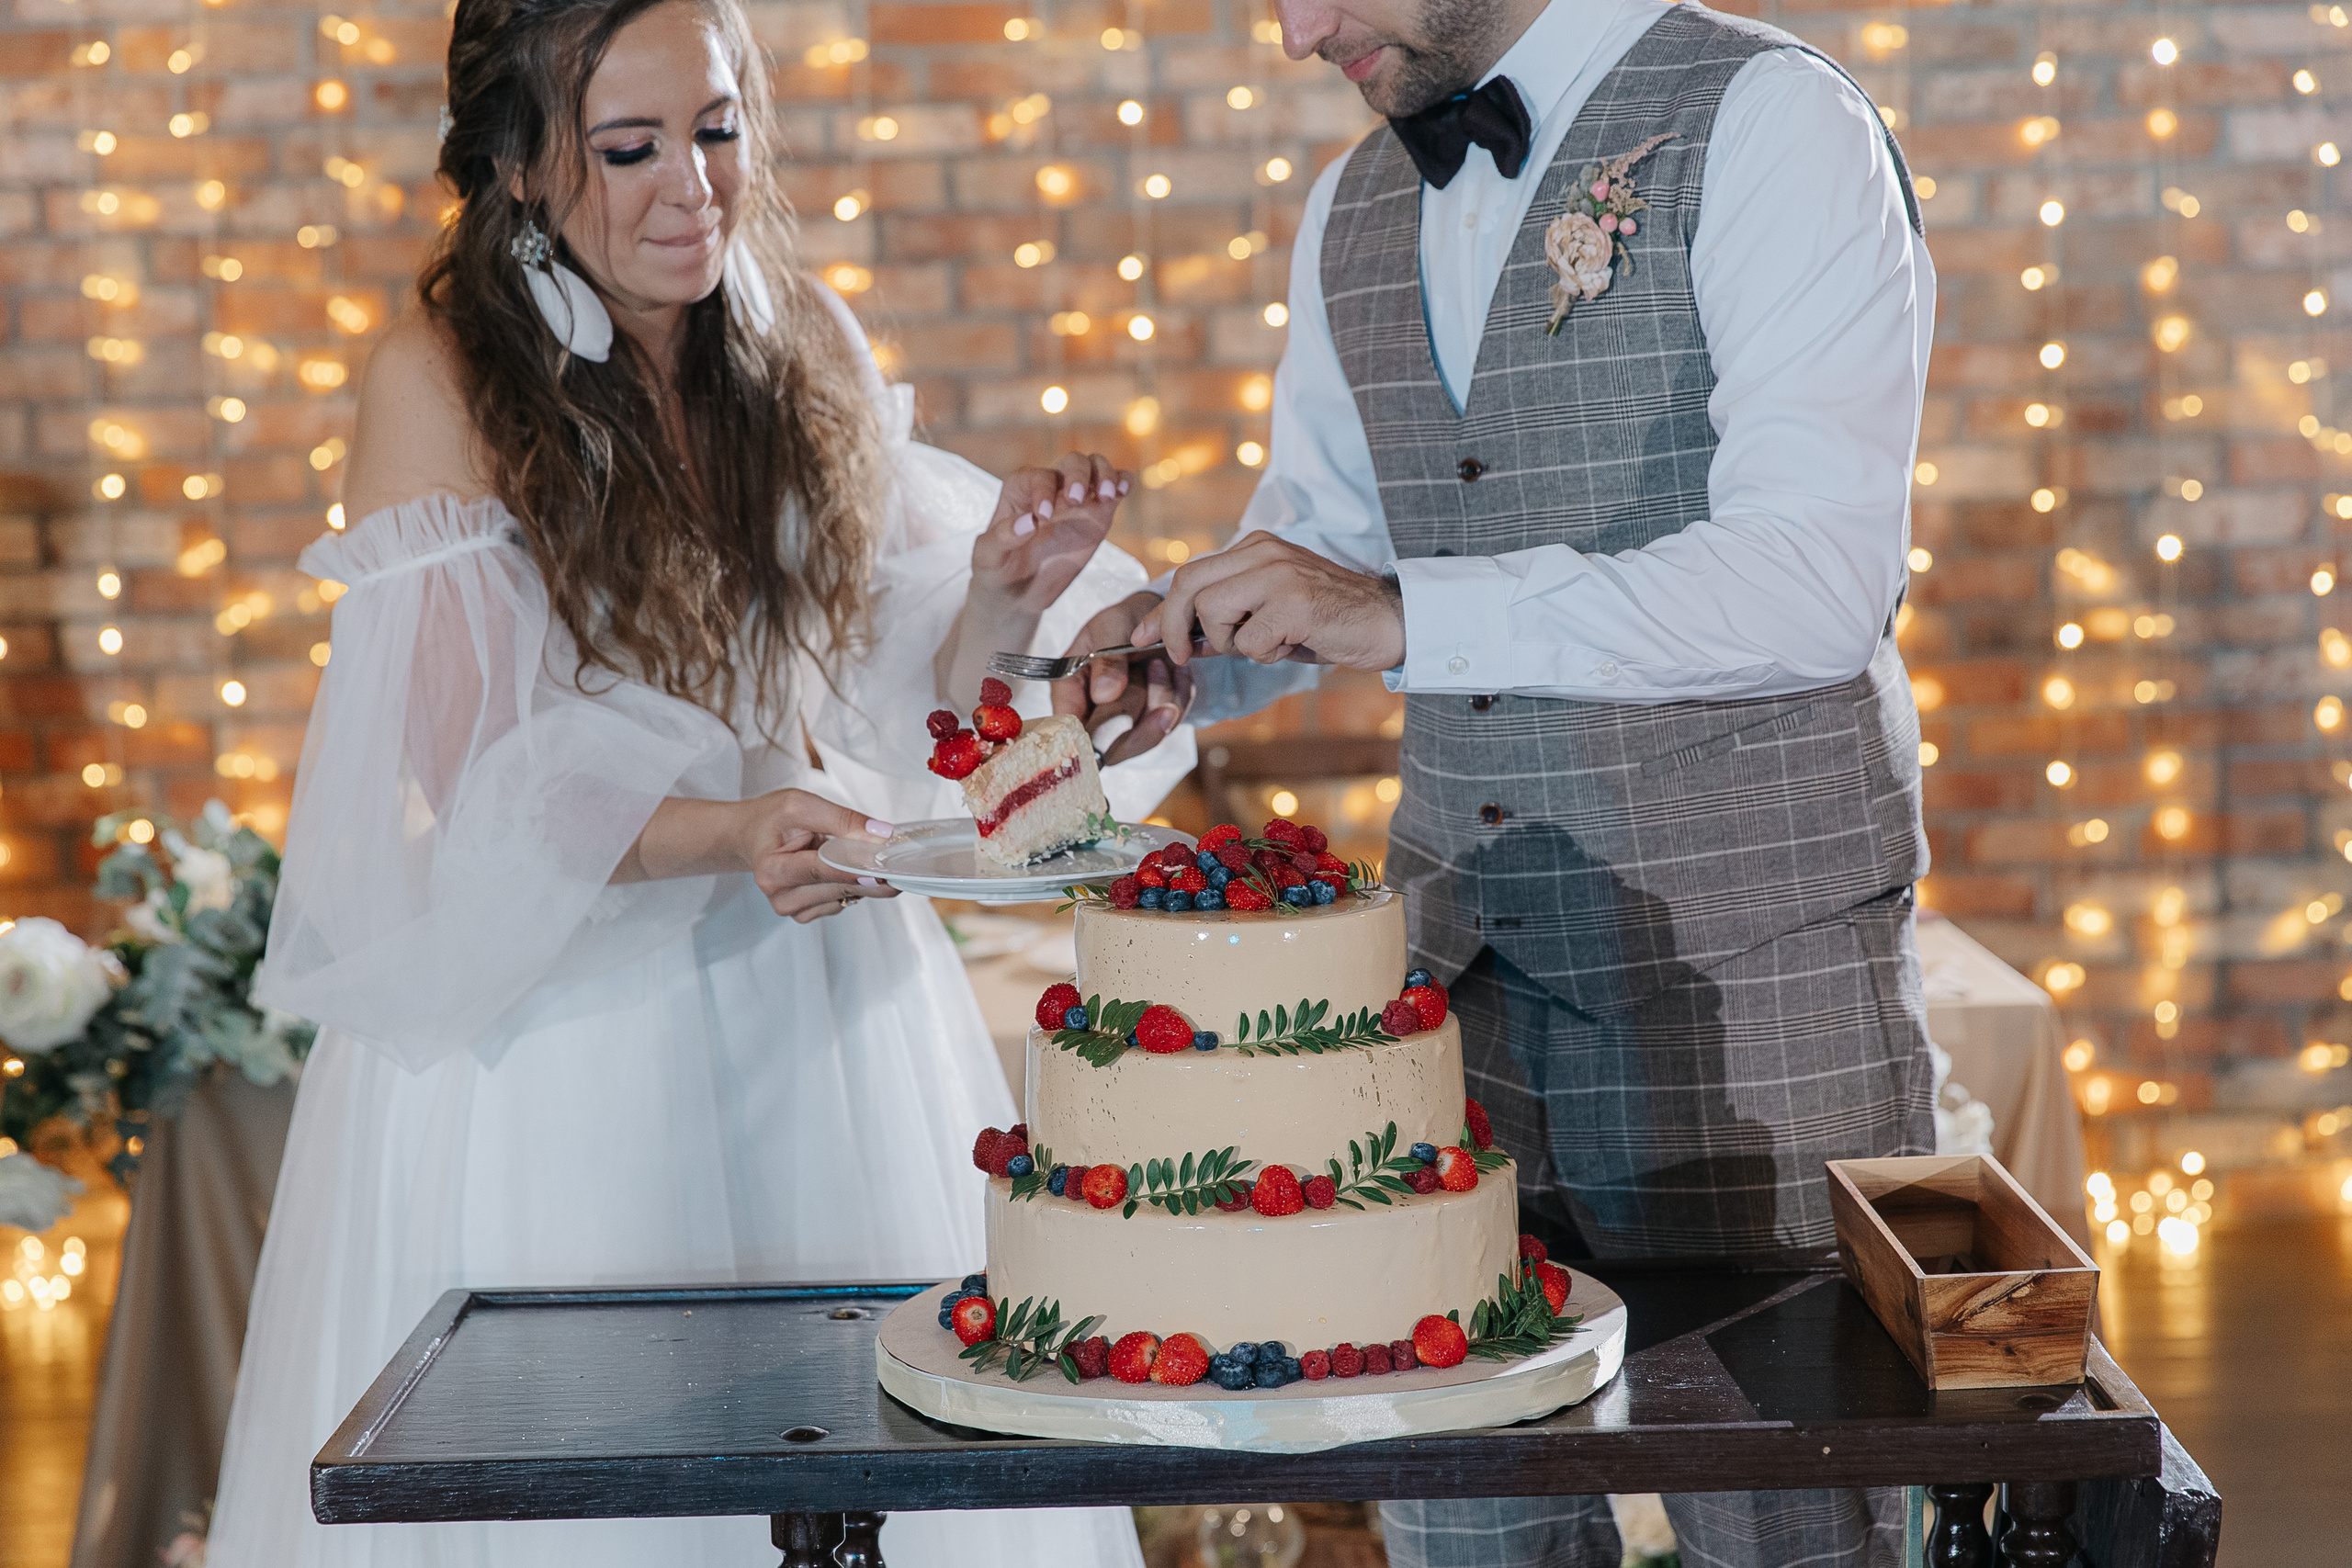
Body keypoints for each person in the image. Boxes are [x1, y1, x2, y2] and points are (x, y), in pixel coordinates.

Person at [203, 0, 1184, 1562]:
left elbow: (880, 699)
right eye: (631, 149)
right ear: (518, 162)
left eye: (719, 128)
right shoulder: (436, 374)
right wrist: (729, 832)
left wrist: (1003, 601)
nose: (695, 188)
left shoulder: (806, 338)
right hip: (577, 1032)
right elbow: (476, 788)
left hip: (827, 1009)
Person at [1058, 0, 1934, 1562]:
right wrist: (1192, 651)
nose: (1293, 31)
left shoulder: (1775, 122)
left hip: (1755, 990)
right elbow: (1336, 550)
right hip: (1448, 1013)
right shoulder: (1352, 204)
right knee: (1466, 1533)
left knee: (1806, 1532)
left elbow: (1818, 578)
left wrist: (1402, 615)